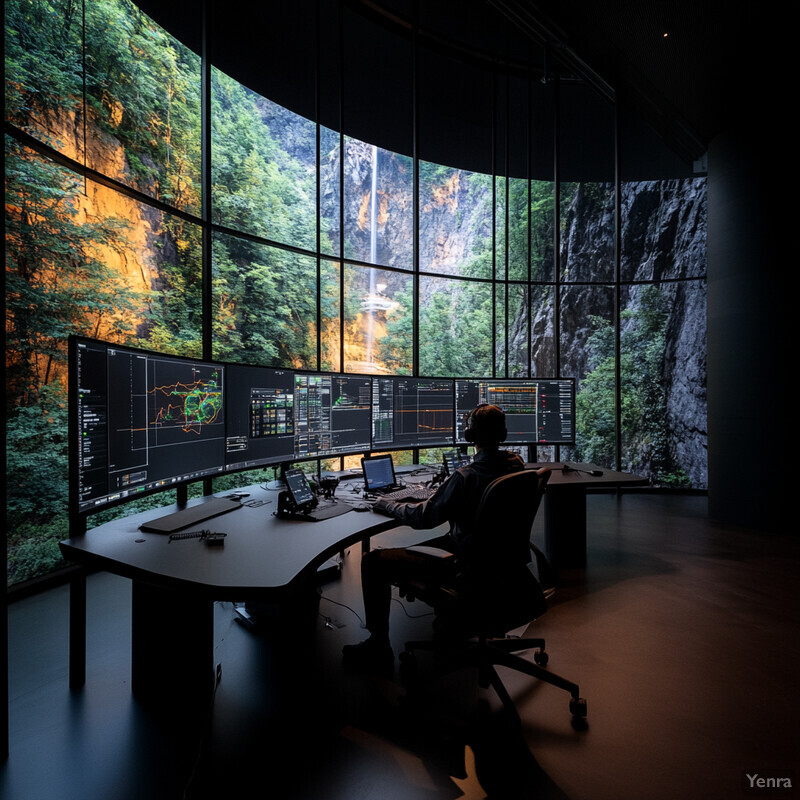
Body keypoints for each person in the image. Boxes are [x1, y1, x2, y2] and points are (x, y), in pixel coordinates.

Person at [342, 403, 524, 671]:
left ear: (469, 437)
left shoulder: (465, 477)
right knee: (427, 546)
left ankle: (379, 646)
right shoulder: (516, 465)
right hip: (501, 560)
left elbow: (424, 518)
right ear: (504, 435)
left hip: (463, 563)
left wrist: (387, 504)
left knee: (373, 561)